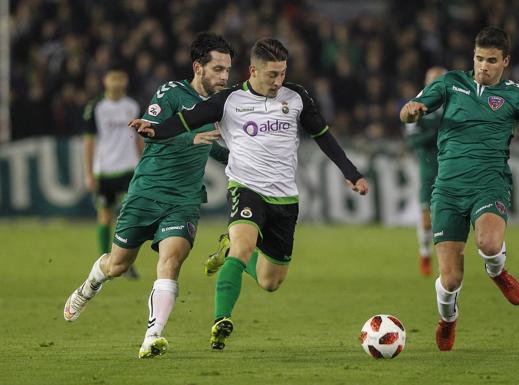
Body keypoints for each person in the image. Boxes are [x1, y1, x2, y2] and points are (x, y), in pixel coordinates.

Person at [130, 38, 370, 350]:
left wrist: (350, 172)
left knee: (271, 281)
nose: (278, 81)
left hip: (285, 198)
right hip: (246, 189)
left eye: (282, 73)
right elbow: (188, 119)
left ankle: (228, 248)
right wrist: (156, 130)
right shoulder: (229, 100)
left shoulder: (296, 97)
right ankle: (221, 321)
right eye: (272, 75)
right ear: (253, 70)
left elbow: (322, 135)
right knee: (243, 248)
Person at [63, 32, 233, 358]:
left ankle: (152, 337)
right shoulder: (171, 93)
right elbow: (150, 133)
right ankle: (90, 285)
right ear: (198, 67)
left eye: (227, 70)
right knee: (116, 264)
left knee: (171, 261)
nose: (225, 77)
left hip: (183, 200)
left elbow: (213, 146)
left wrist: (243, 163)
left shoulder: (220, 105)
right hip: (147, 191)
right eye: (218, 69)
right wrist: (190, 140)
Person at [399, 26, 519, 351]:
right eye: (478, 59)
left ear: (506, 61)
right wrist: (410, 112)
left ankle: (497, 271)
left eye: (491, 60)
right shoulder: (450, 83)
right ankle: (448, 320)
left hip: (489, 184)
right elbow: (408, 110)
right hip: (447, 188)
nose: (483, 66)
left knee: (489, 243)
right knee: (450, 280)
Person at [82, 65, 143, 279]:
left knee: (129, 217)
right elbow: (89, 142)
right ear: (105, 80)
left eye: (120, 77)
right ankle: (104, 262)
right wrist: (89, 173)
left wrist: (143, 164)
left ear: (125, 80)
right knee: (105, 216)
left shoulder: (133, 105)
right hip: (104, 170)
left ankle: (125, 262)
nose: (116, 81)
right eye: (113, 77)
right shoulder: (96, 107)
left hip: (129, 169)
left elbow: (139, 137)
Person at [404, 66, 446, 276]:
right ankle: (424, 254)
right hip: (428, 166)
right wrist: (435, 133)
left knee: (448, 218)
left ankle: (446, 261)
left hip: (452, 167)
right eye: (432, 81)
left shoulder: (455, 105)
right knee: (426, 218)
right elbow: (411, 141)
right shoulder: (416, 106)